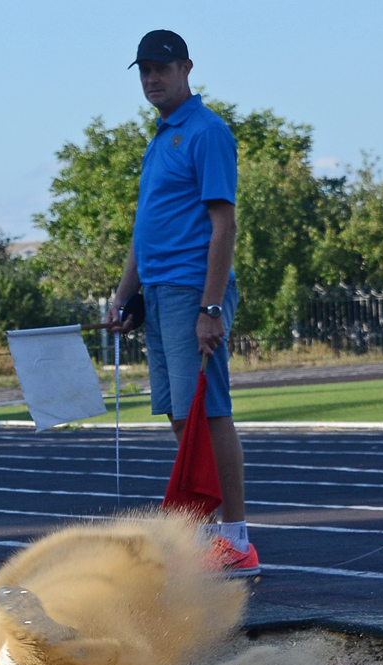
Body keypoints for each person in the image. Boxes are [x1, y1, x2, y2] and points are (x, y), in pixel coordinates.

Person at [105, 30, 256, 579]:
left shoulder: (207, 131)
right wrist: (125, 294)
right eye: (145, 70)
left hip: (194, 290)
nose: (152, 78)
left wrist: (211, 307)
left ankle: (235, 538)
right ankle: (203, 537)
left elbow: (224, 223)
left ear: (187, 68)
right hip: (161, 291)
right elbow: (146, 231)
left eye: (162, 68)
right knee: (180, 415)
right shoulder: (160, 136)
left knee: (211, 413)